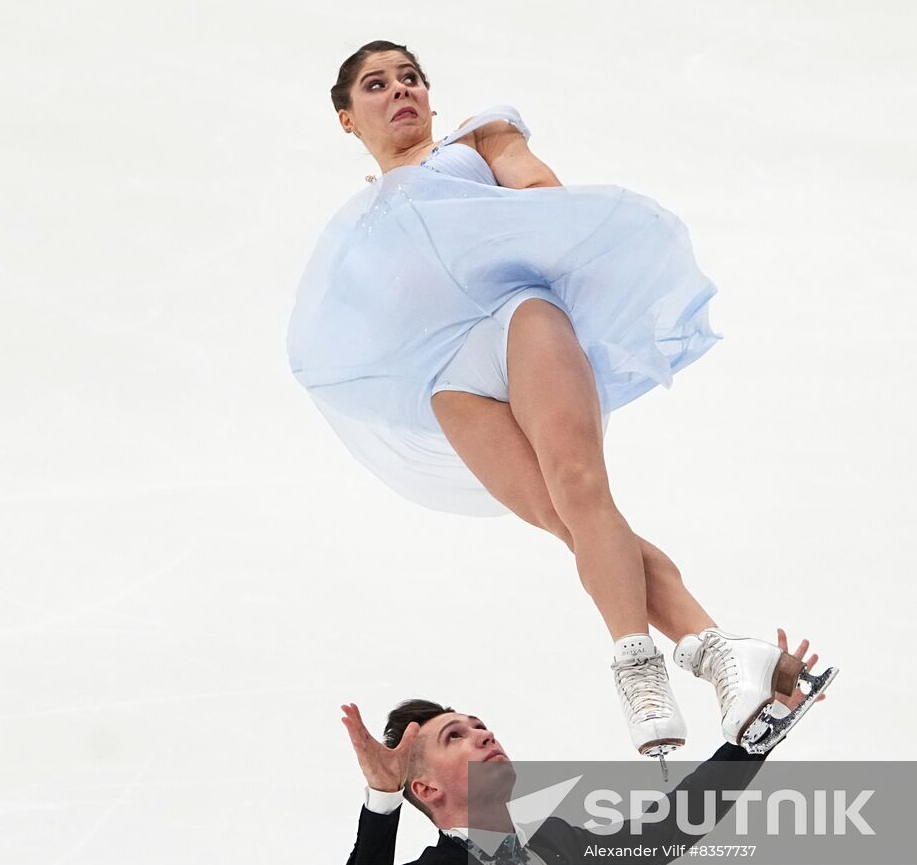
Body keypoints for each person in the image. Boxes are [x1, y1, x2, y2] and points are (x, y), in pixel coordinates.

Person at [288, 41, 836, 761]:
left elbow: (542, 196)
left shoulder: (473, 141)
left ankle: (637, 665)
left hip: (519, 315)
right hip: (448, 377)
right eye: (376, 83)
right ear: (346, 117)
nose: (401, 91)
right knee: (566, 519)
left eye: (412, 77)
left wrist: (474, 207)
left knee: (581, 488)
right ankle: (726, 657)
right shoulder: (363, 222)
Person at [330, 640, 825, 865]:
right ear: (426, 789)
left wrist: (756, 737)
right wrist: (381, 801)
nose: (482, 734)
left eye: (479, 724)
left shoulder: (556, 844)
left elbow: (669, 829)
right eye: (454, 736)